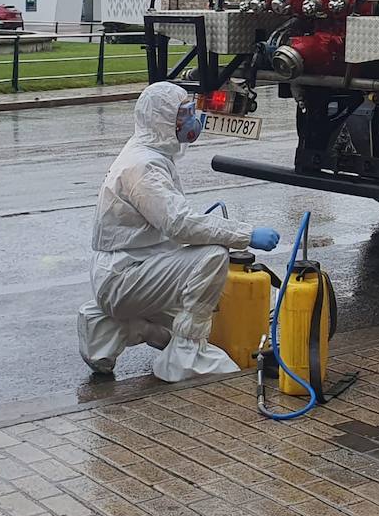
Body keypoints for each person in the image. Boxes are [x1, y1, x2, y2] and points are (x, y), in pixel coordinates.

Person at [79, 82, 280, 381]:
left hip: (126, 271)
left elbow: (168, 223)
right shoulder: (144, 166)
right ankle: (187, 355)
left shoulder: (147, 154)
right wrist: (245, 234)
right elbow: (179, 223)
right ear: (162, 120)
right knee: (211, 257)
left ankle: (110, 328)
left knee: (199, 321)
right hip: (124, 276)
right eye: (183, 115)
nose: (193, 120)